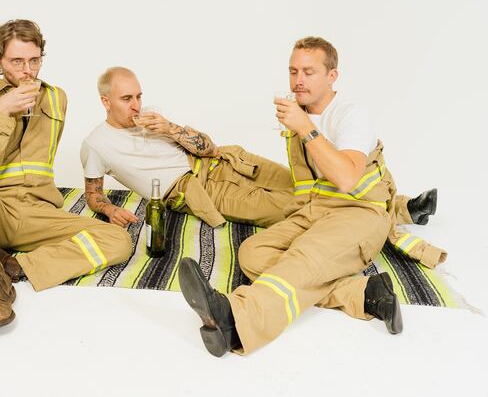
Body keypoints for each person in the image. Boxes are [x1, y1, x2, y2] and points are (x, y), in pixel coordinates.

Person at [178, 36, 429, 357]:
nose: (298, 80)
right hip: (315, 211)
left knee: (303, 257)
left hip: (360, 213)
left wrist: (306, 129)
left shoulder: (350, 116)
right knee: (253, 254)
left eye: (309, 72)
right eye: (293, 71)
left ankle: (233, 319)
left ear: (332, 75)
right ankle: (362, 293)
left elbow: (347, 177)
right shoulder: (302, 113)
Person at [80, 67, 444, 267]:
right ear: (105, 100)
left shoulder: (155, 121)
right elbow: (92, 194)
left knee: (304, 186)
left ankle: (403, 207)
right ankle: (392, 220)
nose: (136, 104)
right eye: (127, 98)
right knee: (295, 208)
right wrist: (110, 209)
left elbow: (208, 147)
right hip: (194, 190)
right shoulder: (96, 144)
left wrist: (171, 127)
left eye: (139, 95)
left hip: (223, 161)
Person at [0, 19, 132, 333]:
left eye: (34, 60)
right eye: (17, 61)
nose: (27, 71)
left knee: (118, 240)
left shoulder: (56, 98)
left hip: (40, 214)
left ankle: (6, 265)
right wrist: (1, 114)